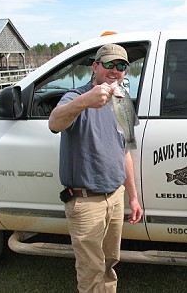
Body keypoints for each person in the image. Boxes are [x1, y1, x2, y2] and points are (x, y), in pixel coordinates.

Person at [48, 43, 143, 293]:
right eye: (109, 64)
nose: (115, 70)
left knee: (110, 264)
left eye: (121, 65)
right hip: (85, 200)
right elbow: (55, 122)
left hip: (115, 197)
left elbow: (125, 152)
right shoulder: (76, 96)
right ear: (95, 67)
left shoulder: (123, 100)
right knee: (91, 270)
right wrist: (84, 101)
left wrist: (133, 197)